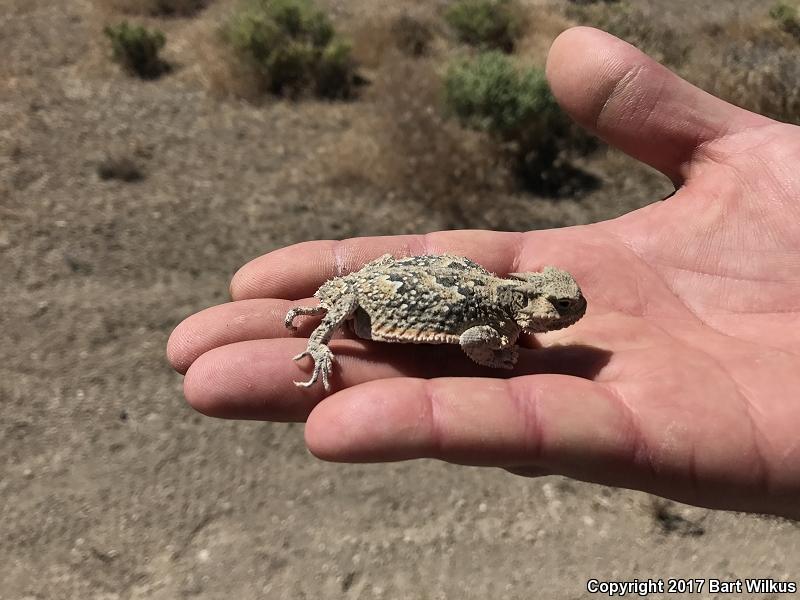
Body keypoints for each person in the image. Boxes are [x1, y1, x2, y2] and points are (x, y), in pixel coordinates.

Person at [167, 28, 800, 519]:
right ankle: (315, 339)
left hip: (405, 281)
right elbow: (473, 345)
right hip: (374, 302)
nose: (568, 314)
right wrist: (502, 361)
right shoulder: (495, 321)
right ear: (532, 305)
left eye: (564, 304)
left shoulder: (505, 308)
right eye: (559, 309)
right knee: (342, 312)